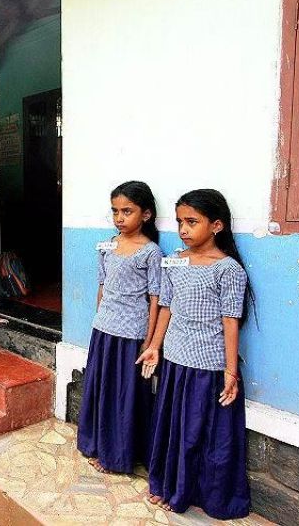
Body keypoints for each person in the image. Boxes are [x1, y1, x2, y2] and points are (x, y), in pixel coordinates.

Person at [137, 189, 253, 519]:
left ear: (216, 225)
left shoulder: (228, 270)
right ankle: (167, 484)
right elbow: (167, 307)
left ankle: (188, 492)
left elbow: (231, 321)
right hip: (175, 360)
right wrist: (154, 348)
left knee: (195, 435)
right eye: (179, 222)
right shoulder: (174, 259)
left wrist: (231, 371)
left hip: (207, 365)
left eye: (192, 221)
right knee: (172, 428)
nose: (183, 229)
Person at [77, 181, 162, 474]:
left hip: (131, 334)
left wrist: (149, 342)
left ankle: (119, 453)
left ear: (146, 214)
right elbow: (103, 286)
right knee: (101, 388)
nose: (120, 218)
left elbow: (155, 299)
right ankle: (98, 443)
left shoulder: (151, 252)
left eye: (127, 211)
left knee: (124, 395)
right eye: (115, 211)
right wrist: (99, 317)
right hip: (103, 329)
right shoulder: (108, 246)